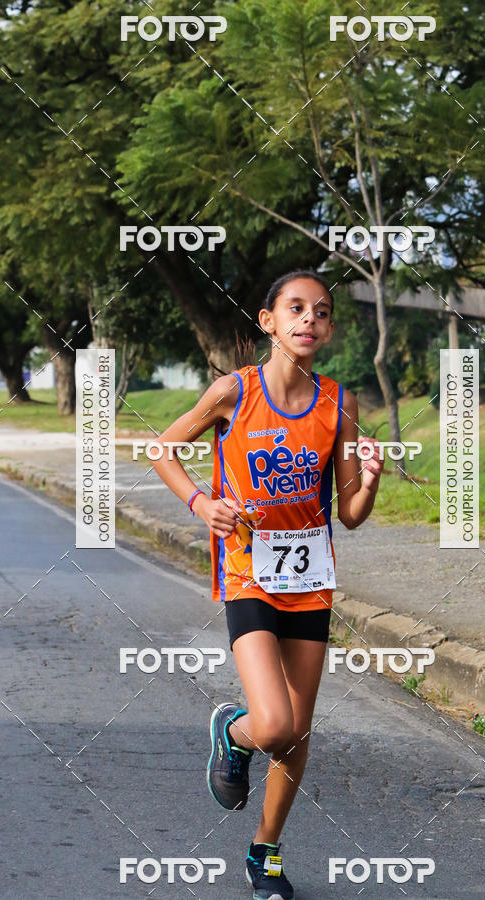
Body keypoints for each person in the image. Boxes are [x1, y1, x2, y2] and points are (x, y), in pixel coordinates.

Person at [151, 269, 383, 900]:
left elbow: (349, 514)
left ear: (330, 328)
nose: (311, 319)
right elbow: (164, 449)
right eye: (297, 308)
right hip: (248, 573)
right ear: (268, 320)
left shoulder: (340, 401)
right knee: (274, 724)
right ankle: (234, 729)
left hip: (310, 580)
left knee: (298, 732)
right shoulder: (233, 392)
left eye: (323, 312)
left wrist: (370, 478)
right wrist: (201, 503)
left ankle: (266, 853)